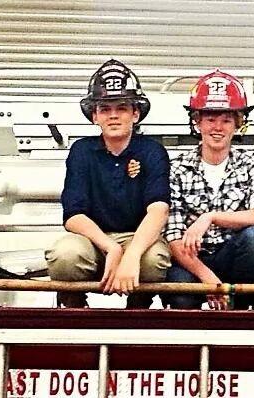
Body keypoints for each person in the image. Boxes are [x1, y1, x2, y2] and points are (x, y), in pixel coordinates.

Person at [46, 59, 171, 308]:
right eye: (104, 109)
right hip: (93, 240)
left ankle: (138, 310)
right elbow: (73, 215)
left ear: (135, 113)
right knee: (64, 255)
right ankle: (74, 311)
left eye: (122, 107)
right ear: (94, 116)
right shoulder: (81, 151)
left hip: (138, 238)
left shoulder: (153, 151)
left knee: (154, 259)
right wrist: (111, 248)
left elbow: (159, 210)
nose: (113, 115)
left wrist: (132, 255)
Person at [163, 70, 254, 310]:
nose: (217, 127)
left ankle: (240, 309)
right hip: (192, 261)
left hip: (235, 258)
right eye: (211, 119)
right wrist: (209, 279)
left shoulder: (253, 162)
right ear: (197, 122)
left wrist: (210, 217)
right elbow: (173, 237)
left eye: (226, 120)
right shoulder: (176, 167)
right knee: (180, 294)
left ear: (237, 124)